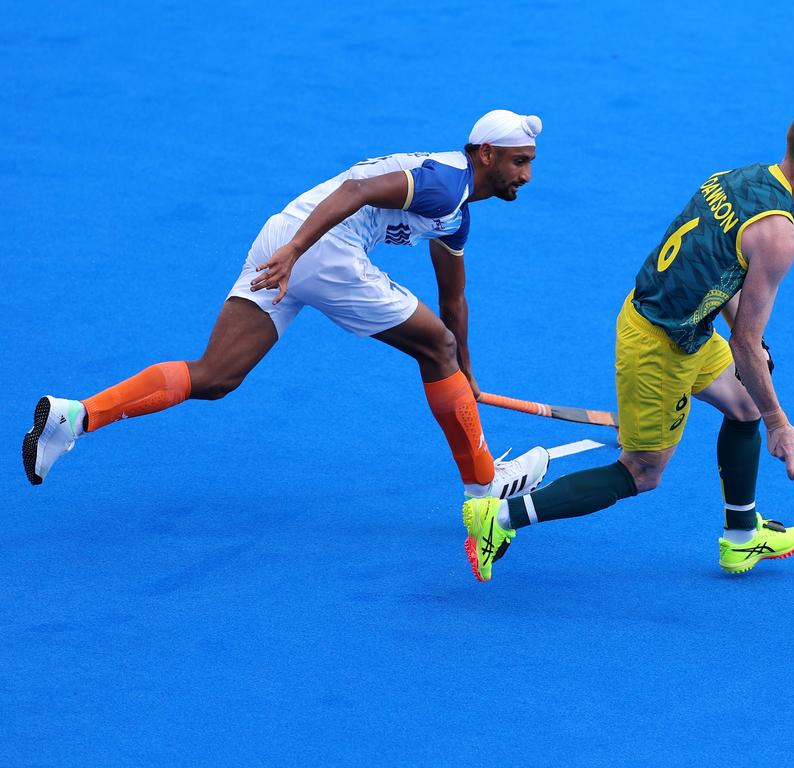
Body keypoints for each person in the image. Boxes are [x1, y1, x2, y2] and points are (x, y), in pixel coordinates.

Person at [23, 109, 550, 502]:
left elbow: (453, 299)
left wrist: (467, 378)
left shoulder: (456, 215)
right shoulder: (443, 183)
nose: (526, 175)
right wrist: (297, 251)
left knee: (216, 376)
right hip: (316, 248)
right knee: (435, 346)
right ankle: (484, 488)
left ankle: (77, 416)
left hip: (282, 236)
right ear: (486, 154)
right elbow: (360, 190)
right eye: (519, 162)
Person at [462, 103, 794, 582]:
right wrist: (779, 421)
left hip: (681, 325)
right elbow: (745, 342)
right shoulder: (777, 236)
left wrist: (756, 373)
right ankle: (498, 519)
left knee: (745, 405)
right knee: (642, 472)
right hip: (658, 346)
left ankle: (740, 538)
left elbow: (726, 274)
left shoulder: (739, 179)